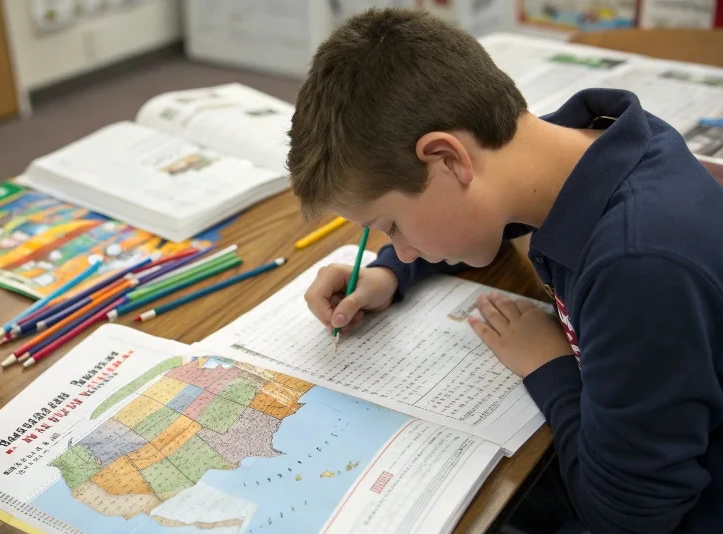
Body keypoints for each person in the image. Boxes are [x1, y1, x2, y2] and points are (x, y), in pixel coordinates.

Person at [287, 7, 723, 534]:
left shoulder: (638, 265)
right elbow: (488, 214)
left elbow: (627, 516)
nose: (400, 249)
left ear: (448, 159)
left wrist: (548, 364)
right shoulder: (582, 147)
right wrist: (387, 274)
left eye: (390, 226)